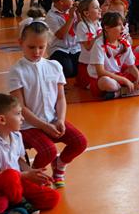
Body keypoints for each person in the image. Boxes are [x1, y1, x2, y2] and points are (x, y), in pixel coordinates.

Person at [8, 21, 87, 187]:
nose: (37, 52)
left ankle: (59, 166)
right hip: (28, 126)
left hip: (52, 120)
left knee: (80, 142)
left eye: (41, 47)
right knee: (48, 151)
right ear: (20, 43)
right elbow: (20, 108)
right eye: (31, 47)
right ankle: (33, 179)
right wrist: (44, 126)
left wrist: (60, 119)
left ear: (47, 45)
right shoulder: (17, 71)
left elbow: (60, 98)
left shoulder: (54, 66)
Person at [0, 92, 60, 214]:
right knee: (10, 175)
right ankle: (18, 203)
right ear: (2, 120)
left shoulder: (16, 135)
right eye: (18, 114)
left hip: (17, 182)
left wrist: (32, 173)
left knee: (53, 197)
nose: (22, 118)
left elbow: (19, 160)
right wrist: (24, 176)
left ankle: (17, 204)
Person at [89, 12, 139, 99]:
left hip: (119, 76)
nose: (123, 28)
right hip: (105, 78)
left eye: (123, 25)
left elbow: (132, 67)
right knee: (106, 82)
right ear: (107, 28)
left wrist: (138, 77)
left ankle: (119, 93)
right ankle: (130, 90)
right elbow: (101, 72)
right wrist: (124, 80)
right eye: (119, 25)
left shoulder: (124, 43)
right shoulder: (99, 44)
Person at [46, 0, 81, 78]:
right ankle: (50, 63)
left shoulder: (71, 11)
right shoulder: (51, 16)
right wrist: (71, 18)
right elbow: (61, 35)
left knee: (82, 68)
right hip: (59, 48)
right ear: (61, 1)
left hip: (75, 47)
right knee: (67, 71)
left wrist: (78, 13)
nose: (73, 0)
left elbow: (82, 28)